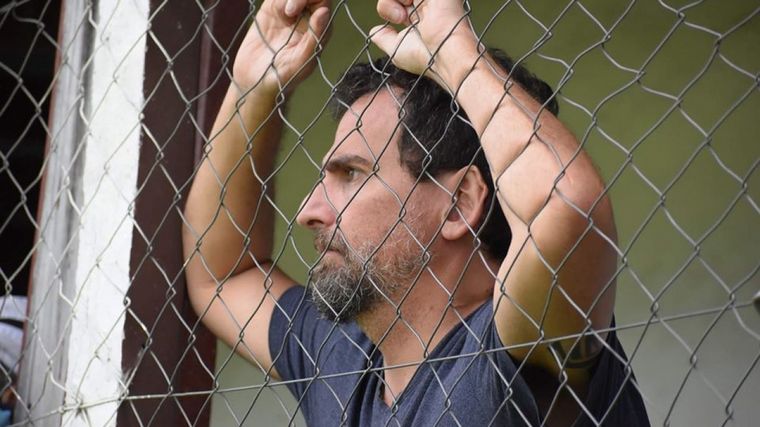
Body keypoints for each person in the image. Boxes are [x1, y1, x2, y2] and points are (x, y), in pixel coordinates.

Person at [182, 0, 649, 425]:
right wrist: (253, 88)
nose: (308, 212)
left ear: (459, 202)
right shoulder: (341, 360)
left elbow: (567, 205)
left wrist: (454, 50)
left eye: (352, 174)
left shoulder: (512, 350)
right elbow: (221, 274)